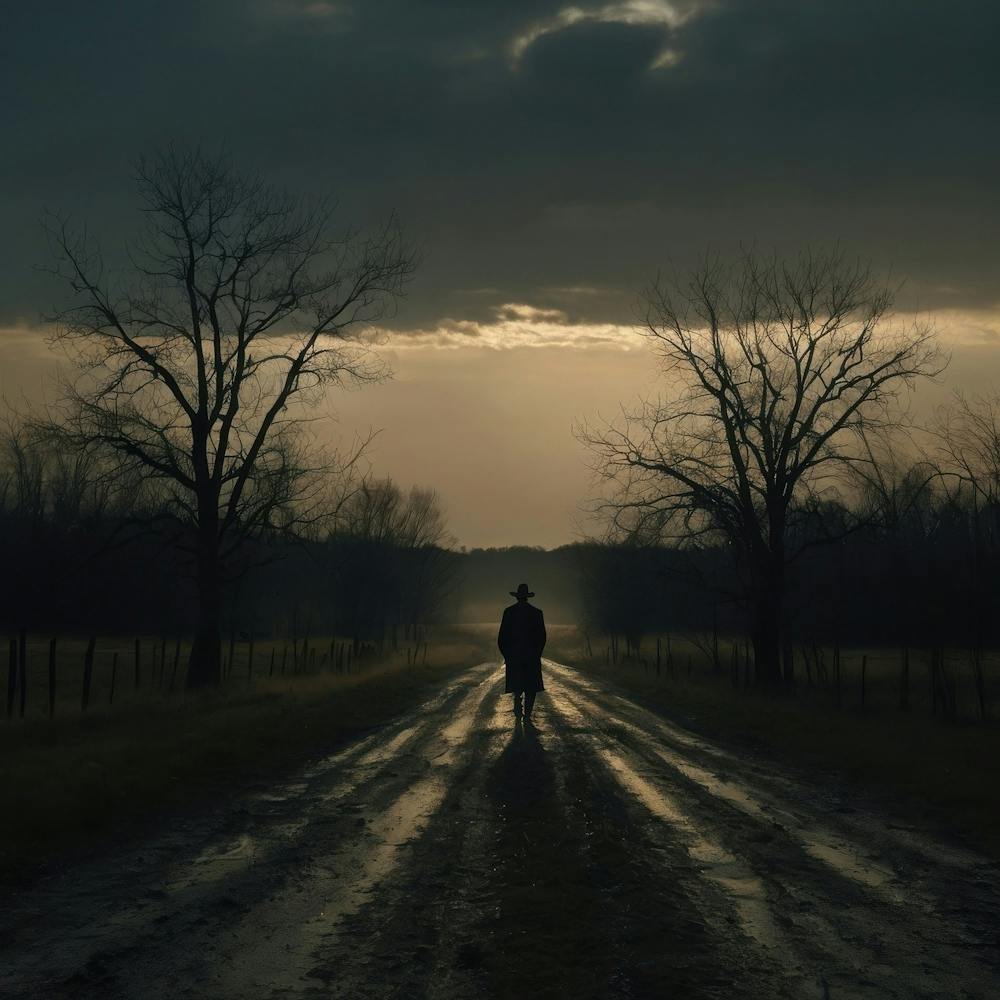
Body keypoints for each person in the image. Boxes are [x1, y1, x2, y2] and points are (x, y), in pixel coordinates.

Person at [497, 583, 546, 722]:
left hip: (515, 656)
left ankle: (518, 704)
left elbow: (501, 638)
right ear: (527, 597)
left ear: (517, 597)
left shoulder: (509, 612)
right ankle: (528, 714)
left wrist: (507, 655)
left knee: (517, 684)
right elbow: (542, 637)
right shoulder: (537, 613)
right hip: (531, 657)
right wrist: (537, 653)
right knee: (531, 686)